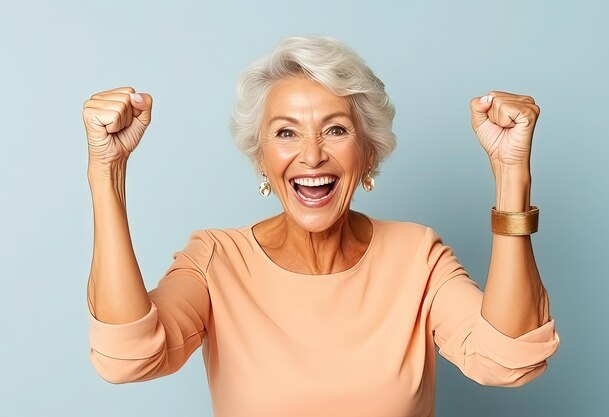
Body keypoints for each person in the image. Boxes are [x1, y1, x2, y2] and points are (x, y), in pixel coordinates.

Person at [83, 36, 559, 417]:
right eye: (286, 132)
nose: (311, 155)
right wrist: (107, 175)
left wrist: (511, 172)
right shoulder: (217, 261)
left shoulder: (417, 257)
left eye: (336, 129)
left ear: (368, 151)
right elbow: (128, 357)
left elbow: (508, 359)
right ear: (261, 157)